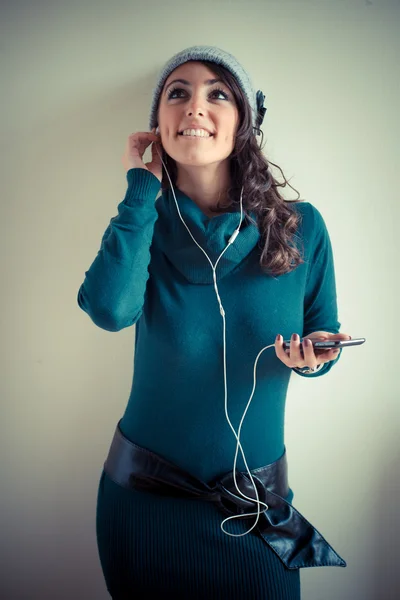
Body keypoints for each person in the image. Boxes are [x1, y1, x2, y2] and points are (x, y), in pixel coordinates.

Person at [77, 45, 351, 600]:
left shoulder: (303, 228)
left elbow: (327, 337)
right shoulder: (144, 219)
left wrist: (317, 357)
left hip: (254, 510)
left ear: (244, 121)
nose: (194, 107)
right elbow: (109, 310)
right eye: (177, 93)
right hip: (142, 509)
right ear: (159, 124)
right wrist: (140, 188)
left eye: (217, 93)